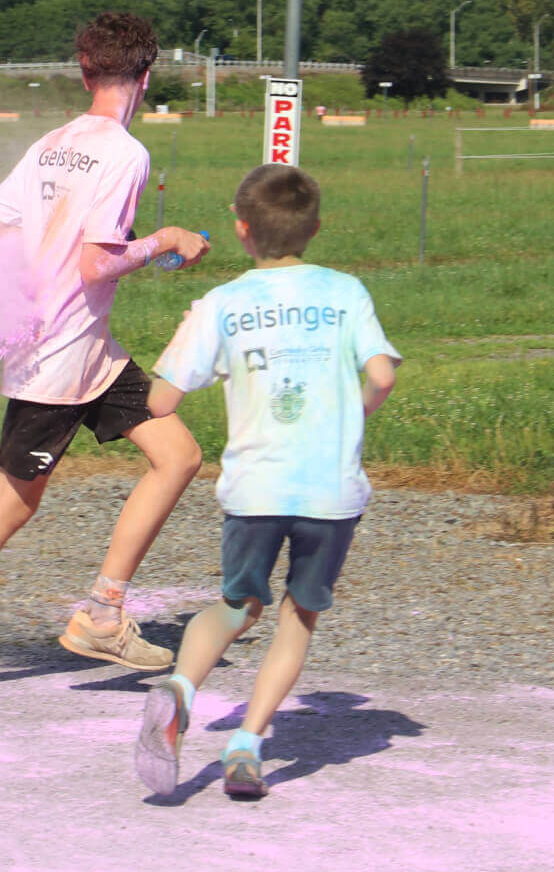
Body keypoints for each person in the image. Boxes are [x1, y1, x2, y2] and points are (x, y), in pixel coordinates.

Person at [0, 10, 212, 699]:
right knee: (11, 503)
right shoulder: (124, 153)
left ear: (85, 71)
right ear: (145, 77)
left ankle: (103, 612)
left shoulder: (50, 144)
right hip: (57, 358)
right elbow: (96, 264)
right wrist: (166, 238)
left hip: (91, 352)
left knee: (177, 455)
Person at [132, 163, 399, 799]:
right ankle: (248, 745)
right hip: (330, 490)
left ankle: (181, 690)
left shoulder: (223, 303)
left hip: (255, 488)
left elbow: (161, 403)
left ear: (241, 230)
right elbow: (383, 375)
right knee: (297, 614)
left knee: (235, 605)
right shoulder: (346, 290)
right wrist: (349, 415)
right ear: (315, 228)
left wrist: (181, 344)